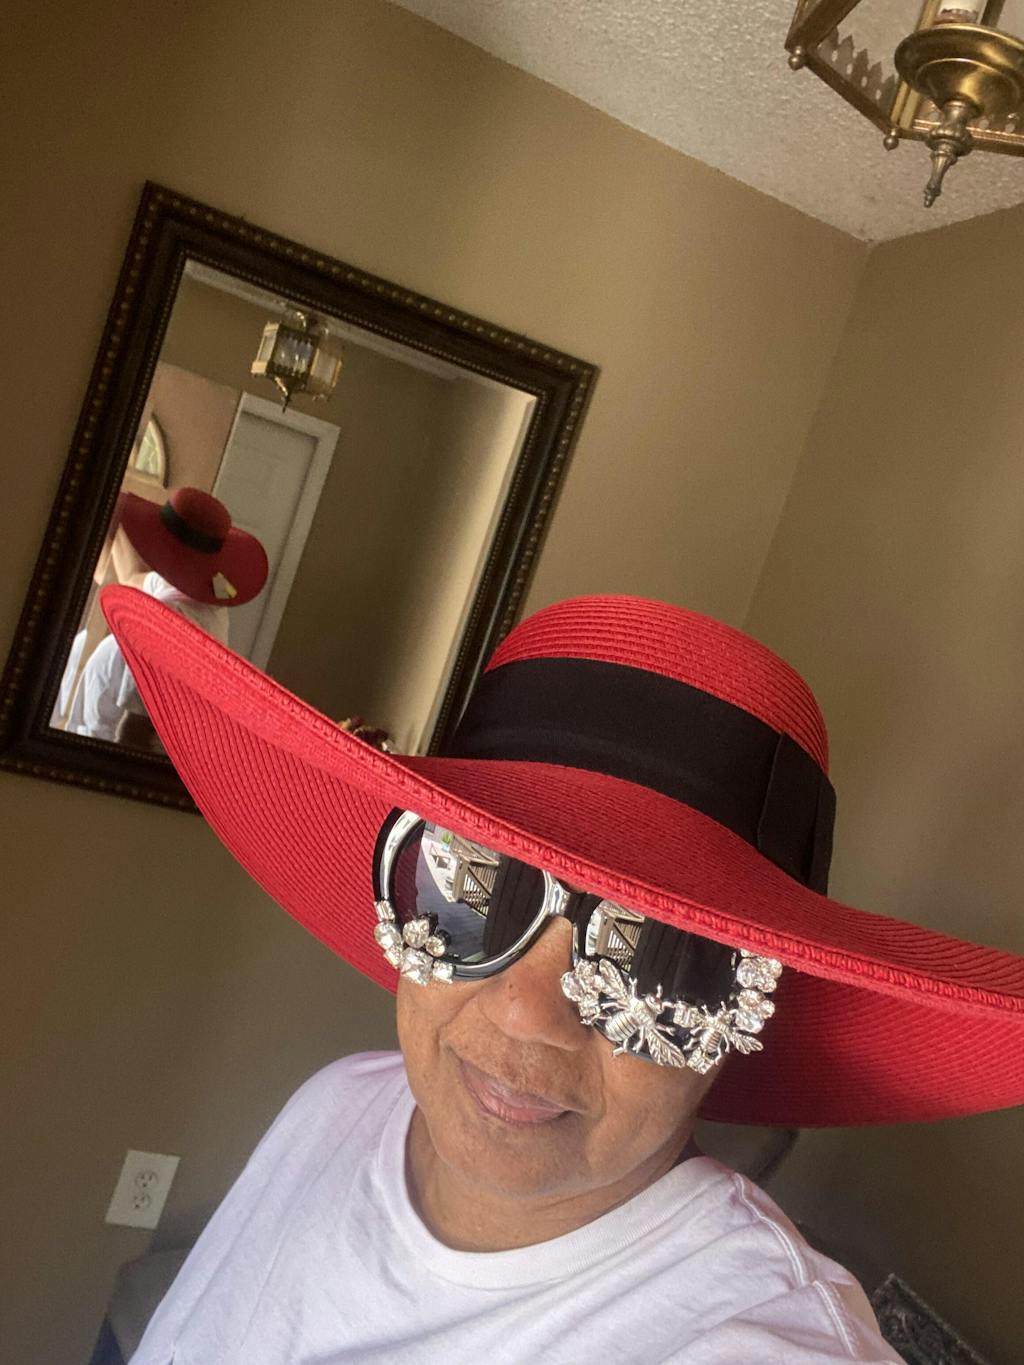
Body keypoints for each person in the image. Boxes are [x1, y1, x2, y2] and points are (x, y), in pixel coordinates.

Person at [100, 590, 1024, 1363]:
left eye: (660, 954)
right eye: (475, 889)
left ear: (744, 1014)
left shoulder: (762, 1339)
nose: (527, 1011)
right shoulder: (336, 1103)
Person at [67, 487, 267, 745]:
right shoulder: (204, 601)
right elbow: (130, 578)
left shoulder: (162, 630)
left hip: (94, 754)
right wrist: (117, 512)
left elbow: (136, 736)